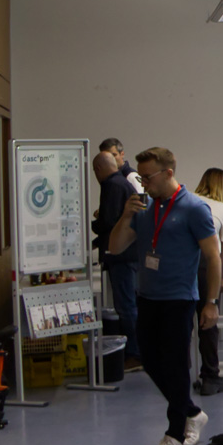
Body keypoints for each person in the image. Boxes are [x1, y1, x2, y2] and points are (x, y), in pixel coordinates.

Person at [105, 147, 221, 445]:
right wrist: (125, 215)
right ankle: (192, 412)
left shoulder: (194, 208)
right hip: (147, 297)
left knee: (175, 365)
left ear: (168, 173)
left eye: (148, 177)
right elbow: (115, 246)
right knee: (150, 361)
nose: (143, 183)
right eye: (141, 177)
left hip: (180, 299)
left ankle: (174, 435)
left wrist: (210, 302)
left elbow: (213, 257)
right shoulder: (143, 208)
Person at [191, 168, 223, 396]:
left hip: (181, 264)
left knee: (182, 322)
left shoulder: (189, 201)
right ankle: (210, 378)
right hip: (206, 264)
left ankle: (180, 374)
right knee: (208, 321)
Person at [92, 146, 143, 370]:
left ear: (98, 169)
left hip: (120, 256)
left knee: (126, 307)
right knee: (130, 304)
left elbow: (110, 222)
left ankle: (134, 354)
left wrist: (95, 225)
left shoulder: (111, 185)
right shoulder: (123, 183)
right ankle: (137, 351)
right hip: (130, 255)